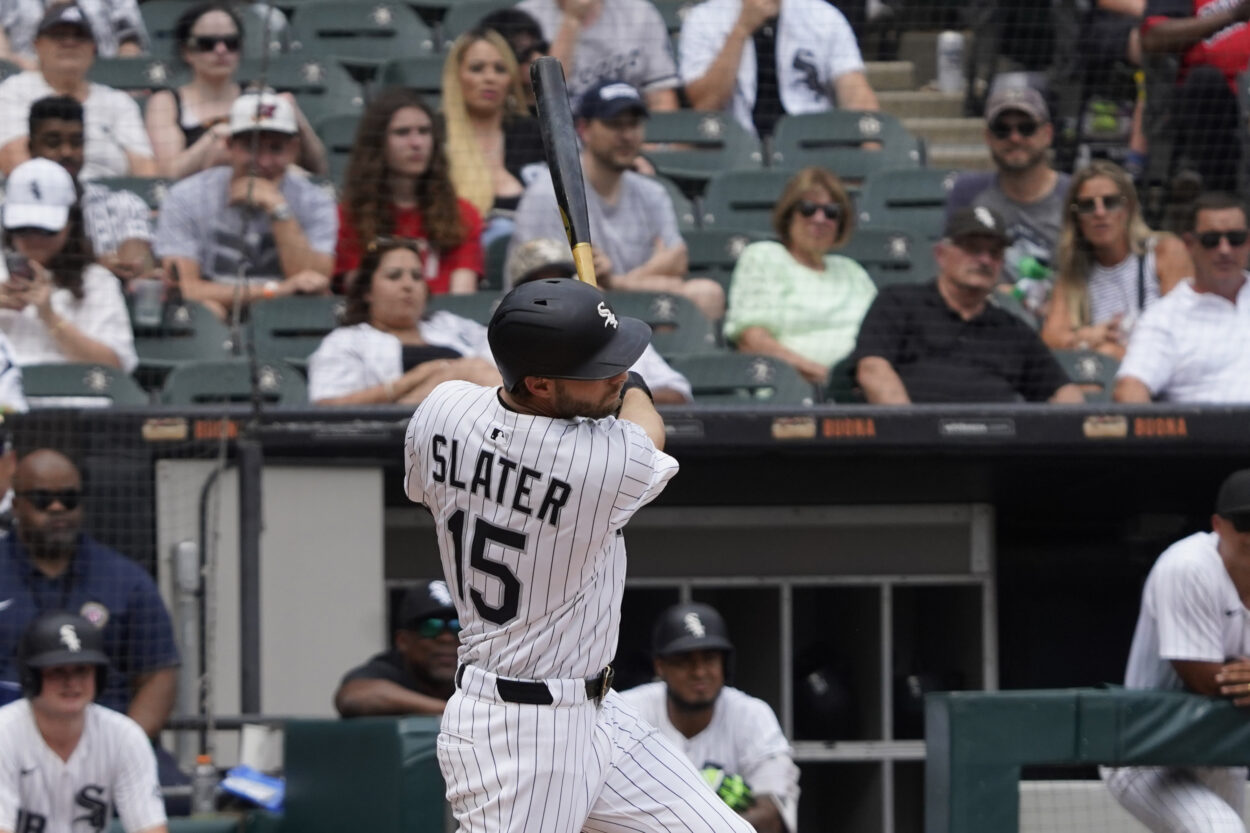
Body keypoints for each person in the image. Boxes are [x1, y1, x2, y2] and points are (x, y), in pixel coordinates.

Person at [403, 278, 753, 833]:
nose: (615, 373)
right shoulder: (596, 464)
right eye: (599, 369)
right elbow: (650, 430)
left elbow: (430, 494)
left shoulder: (440, 410)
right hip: (516, 734)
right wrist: (633, 383)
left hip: (600, 711)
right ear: (539, 382)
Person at [1101, 468, 1250, 833]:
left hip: (1221, 752)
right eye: (1246, 521)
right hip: (1145, 753)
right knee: (1220, 830)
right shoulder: (1188, 566)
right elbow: (1204, 680)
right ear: (1218, 524)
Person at [510, 80, 724, 321]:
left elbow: (678, 260)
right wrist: (647, 276)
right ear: (584, 130)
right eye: (614, 125)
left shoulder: (652, 192)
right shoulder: (549, 194)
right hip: (567, 321)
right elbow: (545, 287)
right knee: (589, 296)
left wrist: (617, 282)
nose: (627, 135)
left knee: (707, 293)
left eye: (633, 124)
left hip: (637, 309)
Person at [0, 450, 180, 738]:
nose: (58, 508)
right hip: (7, 751)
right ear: (17, 504)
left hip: (106, 748)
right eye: (43, 499)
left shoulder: (126, 580)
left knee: (178, 782)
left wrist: (124, 747)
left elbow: (158, 675)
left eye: (69, 499)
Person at [851, 207, 1085, 405]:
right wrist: (913, 431)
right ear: (941, 254)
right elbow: (873, 370)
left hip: (995, 451)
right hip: (916, 451)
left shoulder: (1012, 331)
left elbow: (1064, 393)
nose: (984, 260)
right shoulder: (898, 303)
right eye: (972, 248)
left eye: (994, 253)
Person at [618, 603, 800, 833]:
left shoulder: (752, 715)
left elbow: (771, 818)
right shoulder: (628, 712)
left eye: (710, 658)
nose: (700, 672)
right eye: (685, 661)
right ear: (660, 666)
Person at [155, 88, 336, 317]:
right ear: (230, 145)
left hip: (288, 318)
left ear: (293, 149)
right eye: (251, 146)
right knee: (208, 312)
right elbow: (185, 289)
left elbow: (315, 281)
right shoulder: (187, 196)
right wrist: (275, 291)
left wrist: (278, 209)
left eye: (276, 148)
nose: (263, 161)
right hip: (212, 322)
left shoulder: (314, 200)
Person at [0, 611, 168, 833]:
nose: (72, 683)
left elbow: (149, 828)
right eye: (58, 671)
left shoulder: (124, 736)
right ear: (32, 676)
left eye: (82, 670)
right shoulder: (5, 733)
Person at [722, 166, 876, 386]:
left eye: (831, 211)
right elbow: (752, 340)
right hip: (790, 389)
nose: (820, 218)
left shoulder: (852, 271)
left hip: (861, 387)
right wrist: (827, 377)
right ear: (789, 214)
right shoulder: (765, 257)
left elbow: (882, 336)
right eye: (808, 208)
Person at [144, 2, 326, 182]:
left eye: (231, 43)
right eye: (207, 44)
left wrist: (298, 120)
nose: (221, 50)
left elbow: (319, 169)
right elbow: (167, 175)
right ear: (186, 51)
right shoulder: (166, 101)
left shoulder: (259, 94)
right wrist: (214, 137)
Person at [308, 239, 501, 406]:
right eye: (394, 276)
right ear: (367, 291)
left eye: (417, 276)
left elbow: (503, 359)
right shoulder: (348, 340)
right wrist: (416, 377)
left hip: (470, 422)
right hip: (396, 429)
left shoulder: (448, 325)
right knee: (467, 370)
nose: (408, 285)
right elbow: (326, 404)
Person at [506, 237, 694, 404]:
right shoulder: (503, 343)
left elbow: (678, 394)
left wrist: (620, 395)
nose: (554, 293)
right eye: (540, 285)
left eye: (562, 280)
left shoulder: (614, 334)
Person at [335, 88, 483, 295]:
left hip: (445, 324)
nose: (417, 143)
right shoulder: (349, 217)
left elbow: (461, 298)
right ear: (377, 143)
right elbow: (361, 295)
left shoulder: (464, 215)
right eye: (402, 132)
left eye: (424, 131)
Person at [1043, 160, 1191, 360]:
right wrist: (1089, 336)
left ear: (1128, 207)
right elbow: (1050, 340)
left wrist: (1118, 352)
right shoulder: (1073, 275)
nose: (1100, 213)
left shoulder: (1164, 251)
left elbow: (1185, 331)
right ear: (1076, 217)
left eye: (1110, 202)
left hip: (1163, 376)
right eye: (1087, 206)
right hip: (1101, 381)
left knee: (1107, 353)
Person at [0, 158, 137, 372]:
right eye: (24, 228)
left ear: (71, 222)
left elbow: (116, 371)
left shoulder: (97, 281)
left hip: (75, 402)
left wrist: (49, 316)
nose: (34, 239)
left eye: (46, 230)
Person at [1114, 192, 1250, 403]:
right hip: (1213, 433)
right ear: (1189, 244)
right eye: (1211, 240)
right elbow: (1130, 390)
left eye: (1236, 239)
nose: (1225, 250)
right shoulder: (1165, 317)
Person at [679, 0, 880, 138]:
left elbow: (856, 93)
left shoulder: (824, 16)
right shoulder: (703, 19)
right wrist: (741, 29)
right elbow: (705, 104)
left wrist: (869, 142)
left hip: (810, 149)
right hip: (733, 147)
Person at [0, 2, 155, 179]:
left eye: (79, 36)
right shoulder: (13, 90)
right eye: (59, 35)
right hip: (39, 197)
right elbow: (12, 160)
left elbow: (146, 170)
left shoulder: (118, 102)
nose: (69, 42)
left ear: (93, 48)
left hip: (108, 200)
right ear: (37, 45)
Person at [945, 84, 1069, 306]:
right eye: (1002, 129)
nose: (1014, 138)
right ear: (988, 137)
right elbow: (951, 271)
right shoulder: (967, 193)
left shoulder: (1074, 195)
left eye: (1026, 128)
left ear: (1048, 134)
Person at [27, 95, 160, 289]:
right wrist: (96, 270)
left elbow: (138, 262)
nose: (67, 152)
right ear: (31, 148)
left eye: (76, 142)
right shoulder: (10, 211)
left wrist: (131, 267)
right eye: (53, 143)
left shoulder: (122, 204)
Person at [441, 28, 546, 249]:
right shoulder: (435, 136)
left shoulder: (534, 135)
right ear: (457, 76)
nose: (490, 78)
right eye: (477, 68)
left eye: (500, 69)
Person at [1140, 0, 1250, 194]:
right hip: (1219, 109)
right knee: (1204, 81)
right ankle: (1216, 194)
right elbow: (1153, 37)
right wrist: (1233, 15)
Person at [514, 0, 679, 112]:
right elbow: (542, 98)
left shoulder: (639, 13)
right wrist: (572, 20)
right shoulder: (527, 17)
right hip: (553, 145)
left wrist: (651, 149)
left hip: (621, 134)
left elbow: (661, 97)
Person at [334, 580, 460, 718]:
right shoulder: (391, 668)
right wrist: (449, 712)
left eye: (459, 627)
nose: (447, 638)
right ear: (403, 641)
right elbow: (353, 695)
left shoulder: (478, 669)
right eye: (430, 627)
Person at [0, 0, 146, 69]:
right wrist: (20, 67)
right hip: (26, 76)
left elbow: (130, 40)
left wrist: (117, 74)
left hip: (103, 76)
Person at [478, 7, 549, 115]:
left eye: (539, 48)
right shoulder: (486, 117)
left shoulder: (551, 115)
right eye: (523, 52)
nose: (536, 57)